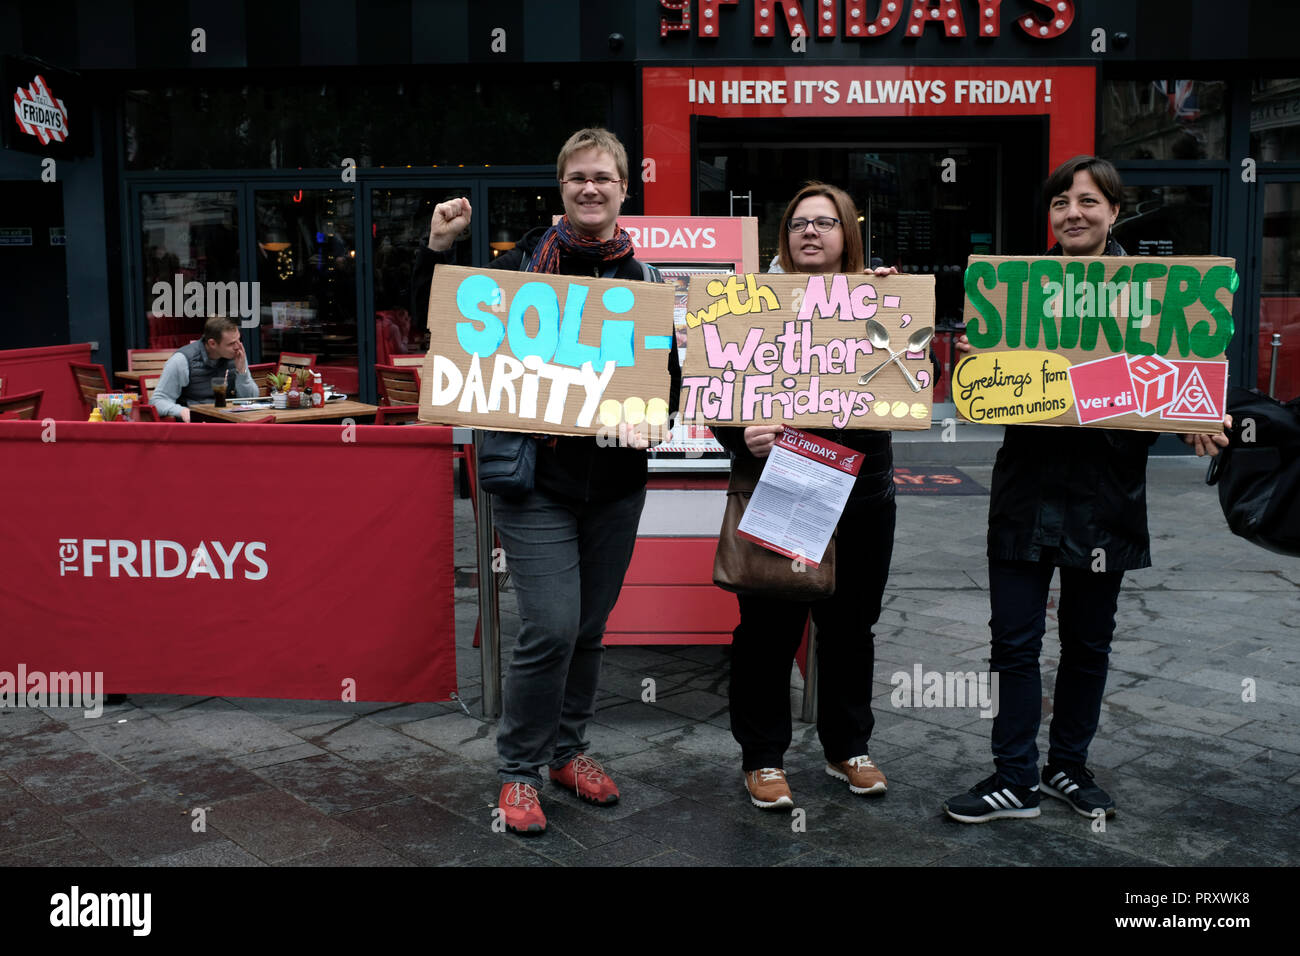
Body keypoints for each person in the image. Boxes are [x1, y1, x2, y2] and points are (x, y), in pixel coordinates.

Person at [944, 156, 1230, 824]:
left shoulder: (1153, 298)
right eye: (1060, 203)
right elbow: (986, 391)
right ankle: (1013, 775)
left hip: (1106, 500)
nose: (1072, 213)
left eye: (1087, 201)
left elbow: (1177, 382)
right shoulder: (1015, 295)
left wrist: (1192, 418)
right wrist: (976, 374)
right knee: (1013, 642)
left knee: (1088, 644)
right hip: (1023, 496)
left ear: (1114, 212)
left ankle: (1066, 767)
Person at [412, 128, 679, 836]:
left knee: (588, 628)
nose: (590, 188)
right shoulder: (520, 269)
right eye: (577, 178)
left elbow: (668, 385)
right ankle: (517, 769)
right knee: (551, 626)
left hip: (616, 485)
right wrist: (436, 250)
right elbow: (436, 331)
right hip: (533, 482)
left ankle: (568, 751)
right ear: (561, 188)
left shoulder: (646, 284)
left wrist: (652, 416)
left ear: (625, 188)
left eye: (603, 177)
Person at [712, 182, 902, 810]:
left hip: (864, 494)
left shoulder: (879, 300)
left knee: (852, 628)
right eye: (799, 223)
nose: (811, 232)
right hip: (789, 483)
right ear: (784, 238)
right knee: (768, 627)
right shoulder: (750, 308)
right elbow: (716, 393)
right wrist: (744, 436)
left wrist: (897, 314)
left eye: (825, 222)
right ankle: (762, 758)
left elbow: (902, 388)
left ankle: (848, 748)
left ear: (848, 232)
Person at [151, 316, 257, 422]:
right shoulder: (182, 360)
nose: (238, 346)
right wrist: (181, 411)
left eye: (239, 339)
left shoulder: (236, 355)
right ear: (212, 343)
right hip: (198, 425)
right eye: (231, 343)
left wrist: (242, 372)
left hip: (230, 421)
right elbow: (157, 401)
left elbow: (250, 400)